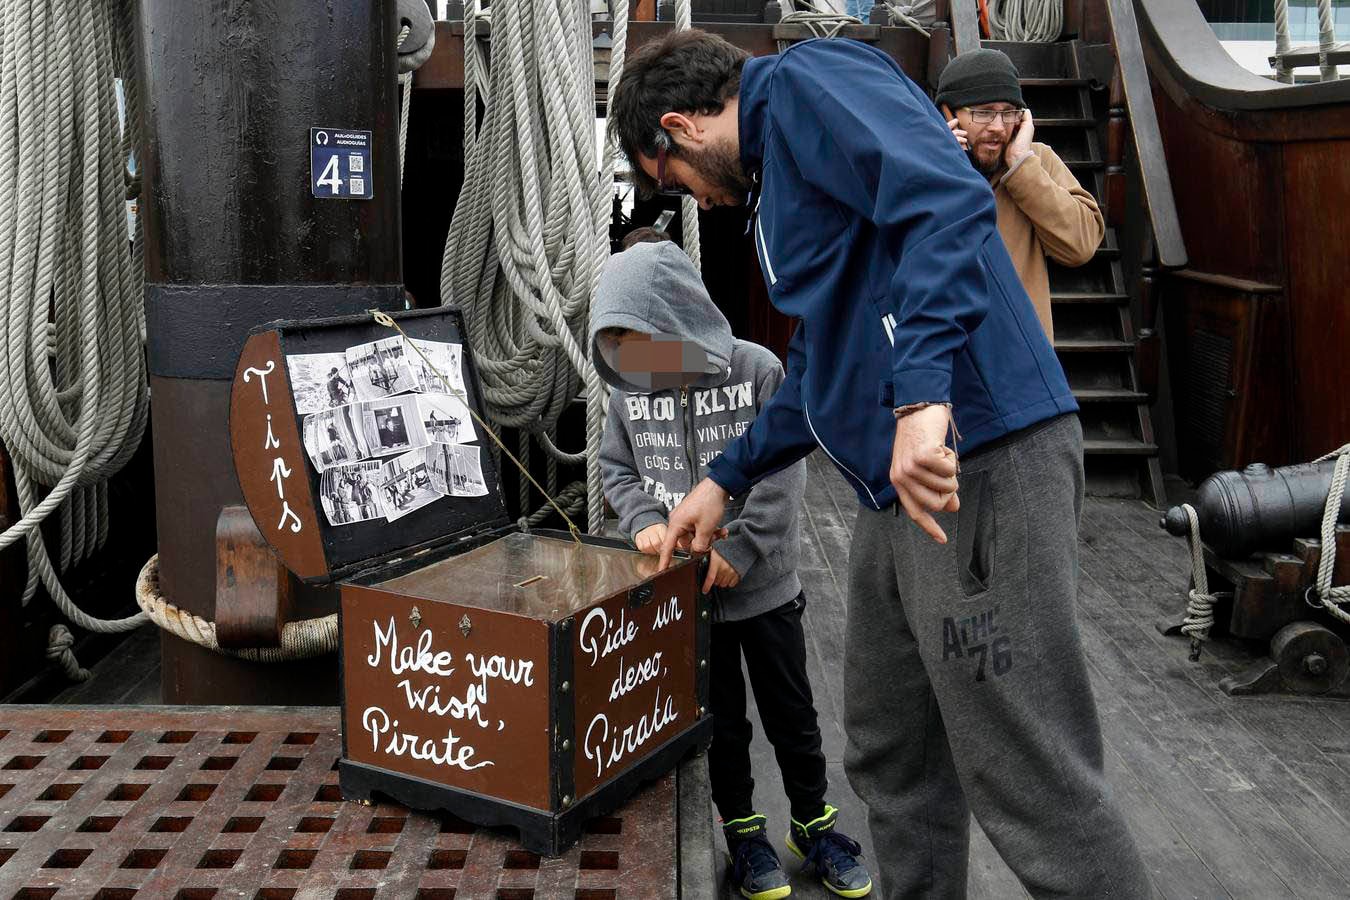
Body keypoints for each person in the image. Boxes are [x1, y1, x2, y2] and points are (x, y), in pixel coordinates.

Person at [608, 31, 1150, 899]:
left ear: (679, 126)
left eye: (673, 177)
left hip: (979, 457)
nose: (693, 200)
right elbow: (826, 359)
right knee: (892, 747)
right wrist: (727, 477)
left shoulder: (813, 84)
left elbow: (944, 201)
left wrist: (922, 398)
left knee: (1027, 769)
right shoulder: (779, 179)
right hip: (891, 492)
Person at [592, 240, 872, 900]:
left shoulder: (757, 370)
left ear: (682, 317)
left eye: (648, 337)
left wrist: (740, 548)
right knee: (720, 725)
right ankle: (744, 835)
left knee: (793, 715)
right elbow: (616, 469)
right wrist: (640, 519)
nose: (640, 355)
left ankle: (813, 823)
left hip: (765, 590)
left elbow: (782, 474)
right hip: (687, 600)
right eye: (624, 343)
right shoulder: (629, 389)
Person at [937, 48, 1104, 340]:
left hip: (1022, 361)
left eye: (1009, 113)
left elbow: (1081, 245)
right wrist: (940, 165)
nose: (998, 127)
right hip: (950, 356)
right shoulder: (922, 163)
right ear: (948, 114)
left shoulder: (1035, 161)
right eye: (984, 112)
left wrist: (1022, 168)